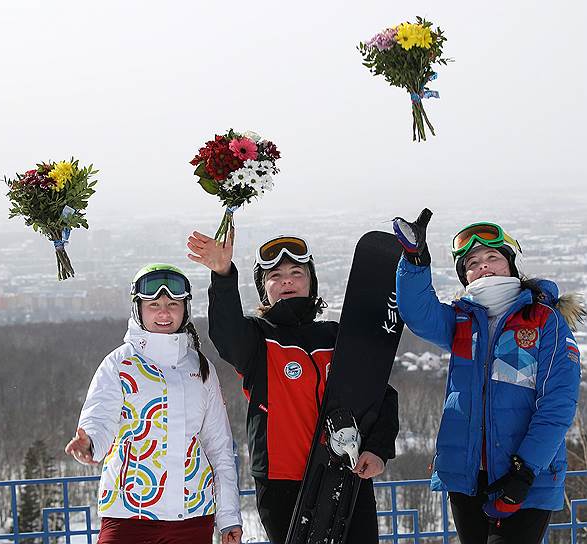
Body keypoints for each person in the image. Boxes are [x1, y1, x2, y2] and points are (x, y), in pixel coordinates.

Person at [187, 231, 399, 544]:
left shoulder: (338, 338)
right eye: (275, 276)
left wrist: (378, 449)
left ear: (311, 281)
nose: (287, 281)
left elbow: (380, 394)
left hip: (347, 473)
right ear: (264, 290)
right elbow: (227, 334)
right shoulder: (258, 341)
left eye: (296, 273)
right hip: (282, 483)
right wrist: (222, 275)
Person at [392, 210, 583, 544]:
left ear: (510, 265)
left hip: (524, 476)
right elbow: (418, 313)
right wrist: (415, 260)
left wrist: (525, 469)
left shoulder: (544, 321)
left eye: (492, 257)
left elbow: (558, 402)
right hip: (467, 477)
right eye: (471, 262)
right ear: (465, 277)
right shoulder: (463, 321)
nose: (482, 265)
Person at [65, 264, 242, 544]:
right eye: (153, 304)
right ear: (138, 309)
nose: (164, 312)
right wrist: (90, 444)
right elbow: (100, 418)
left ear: (185, 309)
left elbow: (219, 447)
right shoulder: (119, 364)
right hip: (127, 514)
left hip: (193, 516)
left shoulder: (202, 368)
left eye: (173, 304)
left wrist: (229, 516)